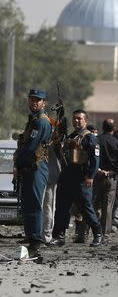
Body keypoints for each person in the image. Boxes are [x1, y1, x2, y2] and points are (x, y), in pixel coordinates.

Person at [49, 110, 103, 247]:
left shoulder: (90, 138)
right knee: (61, 208)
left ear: (86, 120)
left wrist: (90, 176)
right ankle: (59, 236)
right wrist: (56, 144)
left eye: (79, 119)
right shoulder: (71, 136)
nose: (76, 121)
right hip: (67, 176)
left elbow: (95, 160)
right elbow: (61, 156)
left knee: (86, 208)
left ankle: (98, 234)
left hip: (81, 178)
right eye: (74, 119)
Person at [14, 89, 52, 257]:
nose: (35, 103)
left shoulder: (41, 122)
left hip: (36, 168)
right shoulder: (33, 120)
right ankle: (31, 238)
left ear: (44, 103)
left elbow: (30, 147)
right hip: (29, 168)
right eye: (32, 100)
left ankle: (36, 242)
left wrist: (18, 162)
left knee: (34, 205)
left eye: (38, 100)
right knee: (28, 205)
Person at [94, 119, 118, 236]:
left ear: (102, 127)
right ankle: (104, 233)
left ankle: (88, 231)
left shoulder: (96, 141)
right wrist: (110, 173)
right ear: (114, 129)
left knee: (93, 204)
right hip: (110, 179)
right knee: (107, 207)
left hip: (96, 177)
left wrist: (99, 170)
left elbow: (92, 158)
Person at [42, 143, 61, 244]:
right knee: (46, 207)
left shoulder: (53, 143)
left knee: (48, 207)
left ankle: (46, 235)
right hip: (46, 177)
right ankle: (43, 234)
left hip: (50, 178)